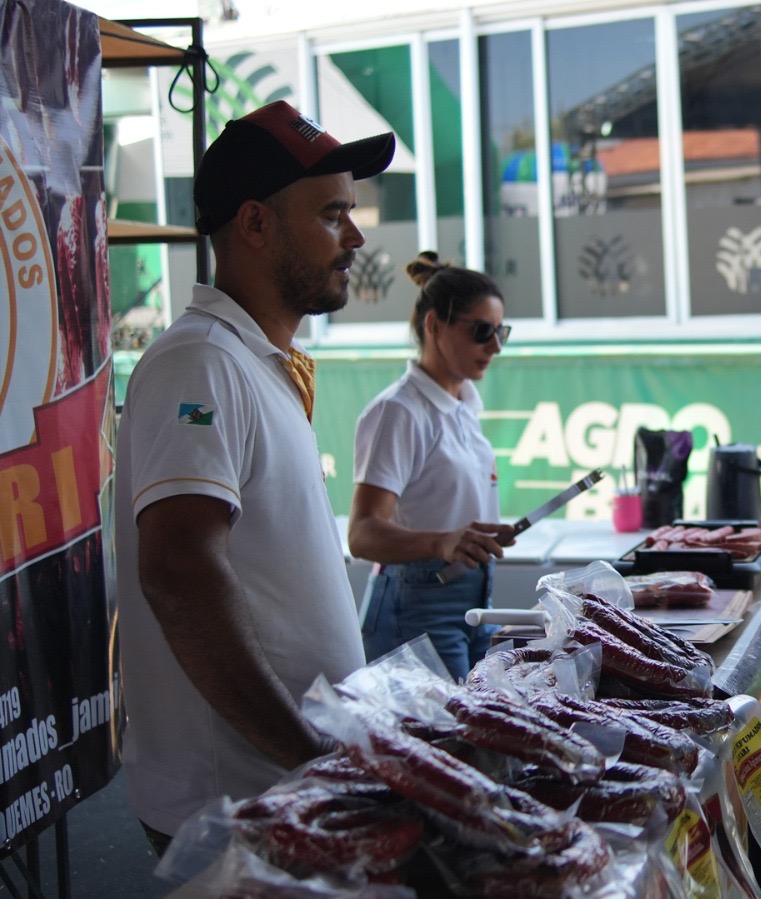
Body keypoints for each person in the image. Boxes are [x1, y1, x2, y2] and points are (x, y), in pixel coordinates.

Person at [113, 100, 395, 852]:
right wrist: (310, 753)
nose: (356, 236)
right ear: (255, 223)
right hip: (239, 807)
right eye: (333, 213)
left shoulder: (248, 362)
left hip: (287, 793)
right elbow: (178, 571)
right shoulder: (199, 361)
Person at [348, 253, 515, 681]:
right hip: (418, 603)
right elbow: (362, 533)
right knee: (443, 741)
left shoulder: (462, 407)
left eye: (502, 332)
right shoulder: (399, 411)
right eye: (482, 332)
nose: (495, 346)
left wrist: (470, 538)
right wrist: (442, 542)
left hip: (475, 597)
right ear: (435, 326)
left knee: (477, 730)